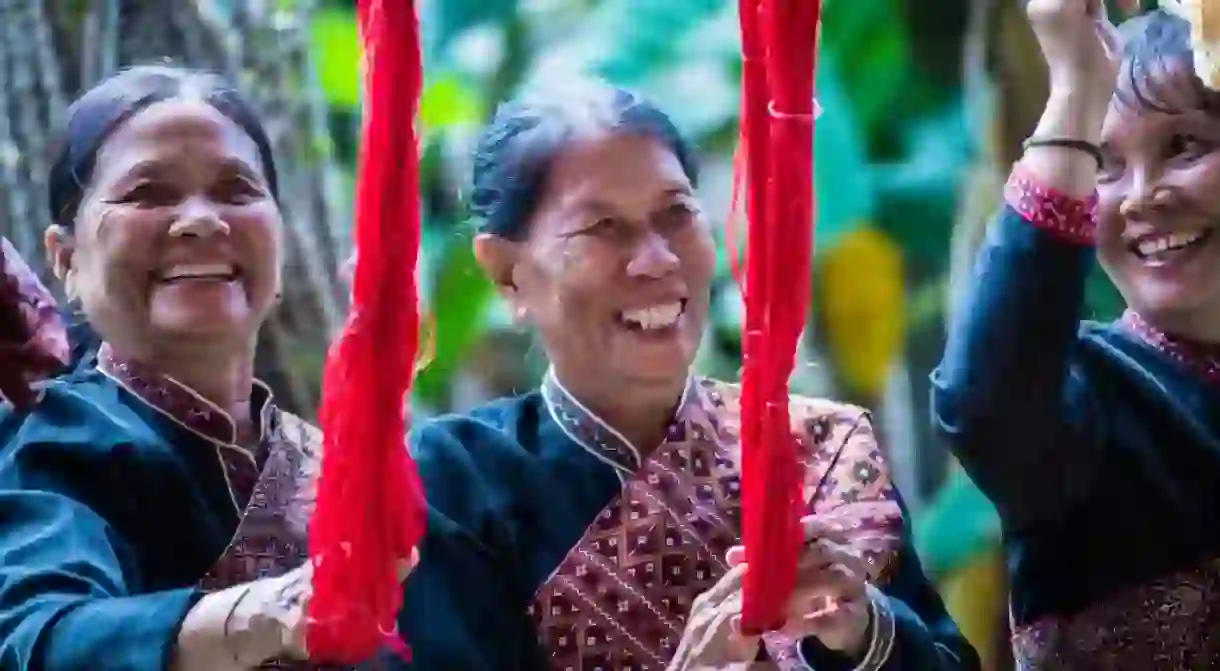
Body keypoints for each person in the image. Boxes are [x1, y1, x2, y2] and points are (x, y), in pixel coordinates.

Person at [395, 83, 979, 671]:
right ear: (507, 273)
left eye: (676, 214)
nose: (657, 259)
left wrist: (868, 631)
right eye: (600, 228)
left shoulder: (820, 450)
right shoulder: (454, 481)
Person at [0, 65, 407, 670]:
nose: (201, 220)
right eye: (147, 193)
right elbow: (41, 638)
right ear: (66, 257)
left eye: (237, 191)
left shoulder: (335, 468)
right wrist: (266, 613)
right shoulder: (50, 444)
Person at [932, 1, 1220, 668]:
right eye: (1107, 164)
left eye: (1184, 146)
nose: (1143, 195)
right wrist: (1075, 89)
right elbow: (980, 405)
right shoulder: (1090, 397)